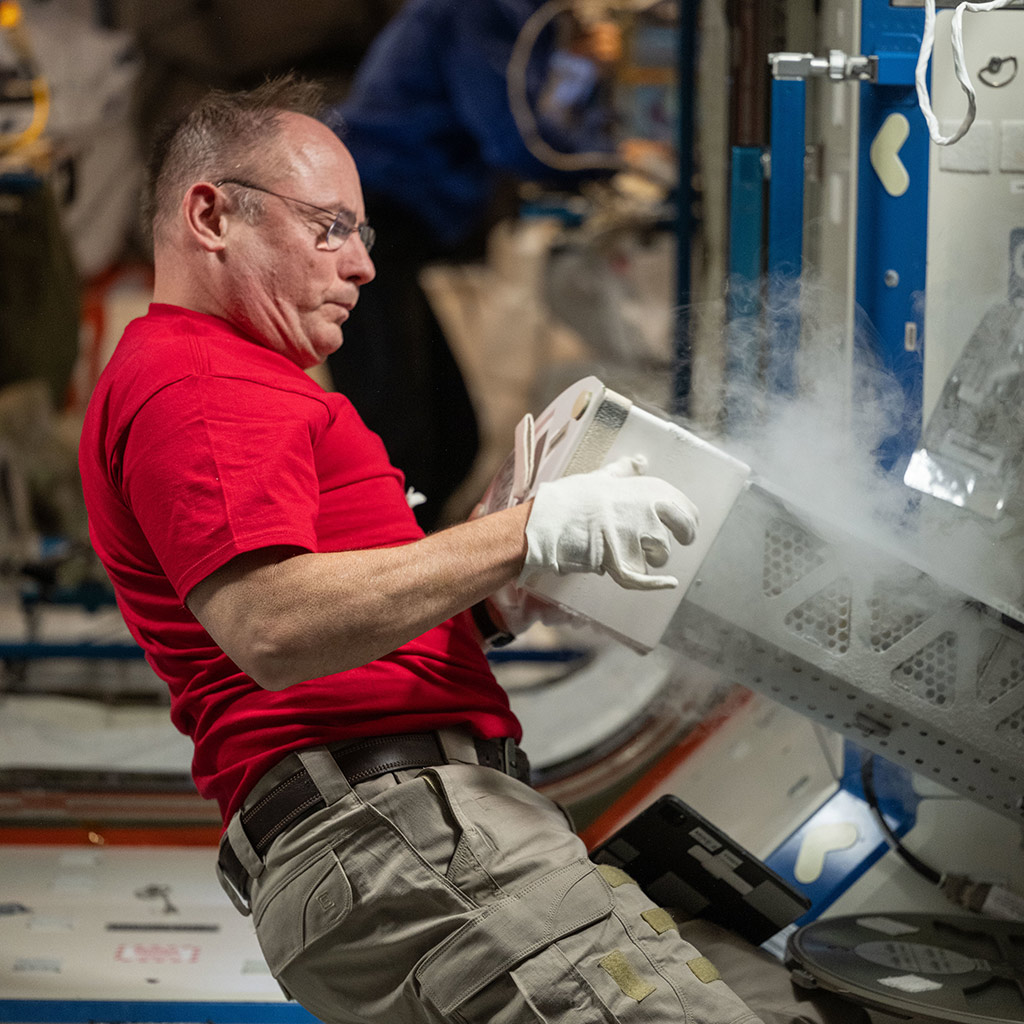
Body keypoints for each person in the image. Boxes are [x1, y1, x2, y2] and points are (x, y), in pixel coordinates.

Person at [78, 77, 866, 1024]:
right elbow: (274, 624)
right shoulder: (197, 378)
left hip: (417, 833)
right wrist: (527, 531)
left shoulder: (242, 385)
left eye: (362, 236)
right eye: (330, 227)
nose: (362, 267)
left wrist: (502, 596)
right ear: (211, 214)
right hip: (397, 831)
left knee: (774, 1002)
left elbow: (340, 622)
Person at [325, 0, 622, 531]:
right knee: (400, 438)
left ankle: (410, 575)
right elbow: (517, 138)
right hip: (372, 221)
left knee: (447, 436)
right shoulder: (485, 7)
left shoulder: (517, 14)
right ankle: (380, 577)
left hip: (387, 223)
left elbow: (530, 116)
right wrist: (616, 164)